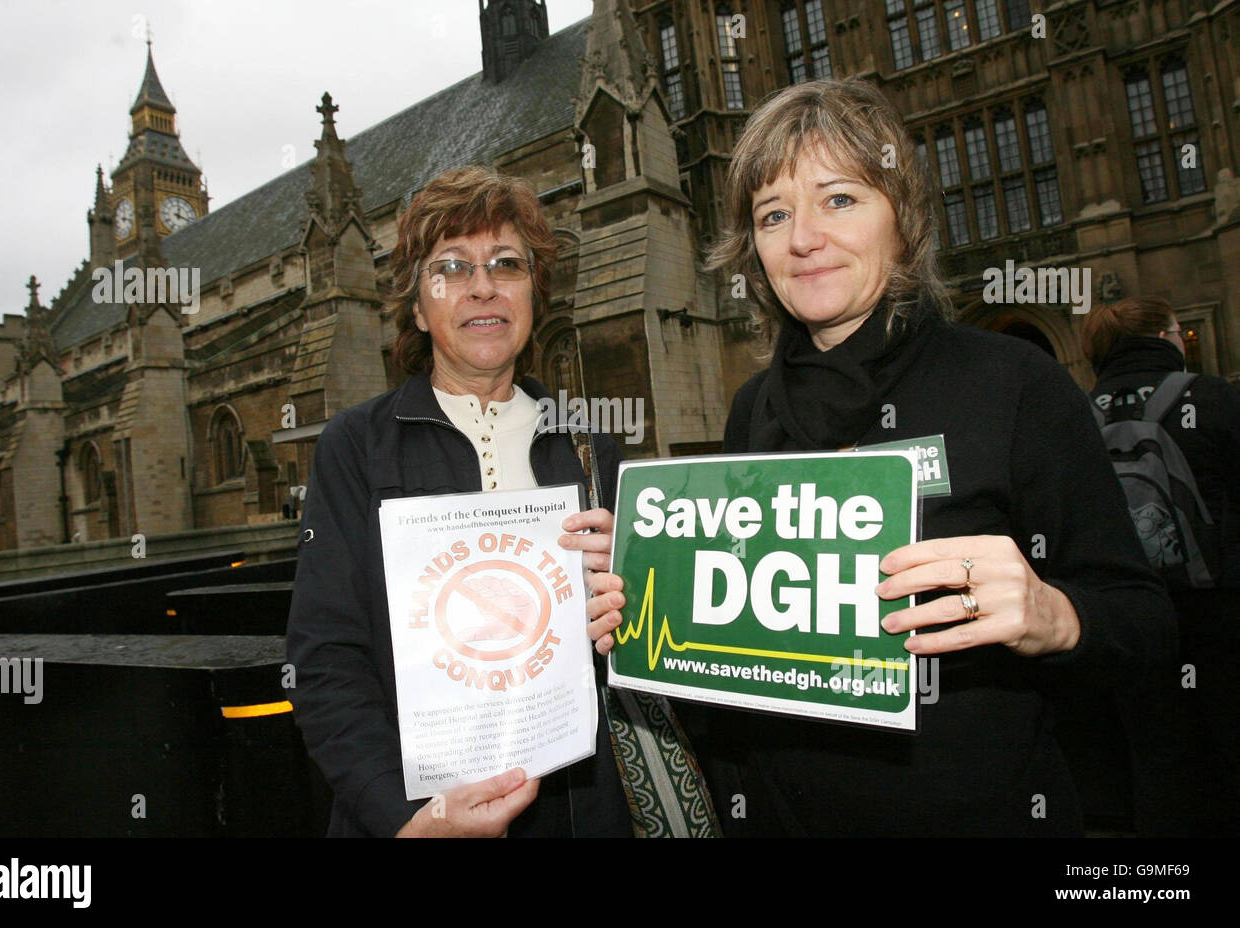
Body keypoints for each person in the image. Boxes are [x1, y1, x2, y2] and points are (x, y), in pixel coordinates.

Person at [586, 78, 1176, 836]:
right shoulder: (751, 412)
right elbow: (742, 661)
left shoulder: (1013, 383)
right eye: (774, 214)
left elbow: (1146, 628)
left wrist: (1054, 617)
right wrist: (648, 604)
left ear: (903, 216)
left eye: (839, 199)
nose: (803, 238)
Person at [287, 165, 632, 837]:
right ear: (418, 307)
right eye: (451, 267)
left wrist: (631, 600)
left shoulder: (589, 447)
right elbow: (325, 660)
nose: (483, 286)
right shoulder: (355, 446)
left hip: (575, 813)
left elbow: (637, 658)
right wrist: (405, 819)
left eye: (507, 265)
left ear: (534, 294)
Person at [1082, 297, 1240, 835]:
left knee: (1155, 755)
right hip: (1217, 610)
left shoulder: (1077, 414)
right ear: (1165, 336)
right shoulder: (1212, 396)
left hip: (1128, 616)